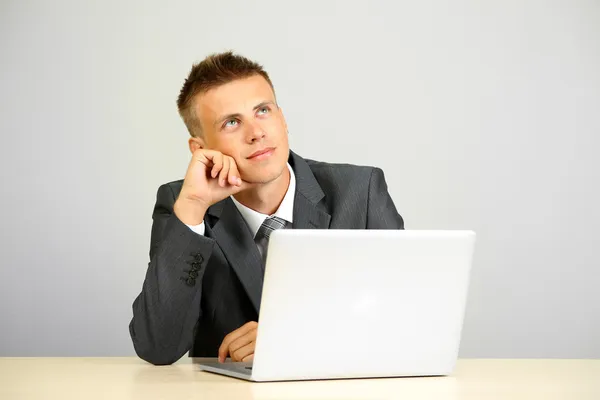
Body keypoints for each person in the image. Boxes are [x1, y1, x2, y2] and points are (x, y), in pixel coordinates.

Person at [129, 51, 404, 366]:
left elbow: (405, 315)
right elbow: (158, 347)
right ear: (200, 149)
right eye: (232, 122)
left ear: (283, 119)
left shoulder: (360, 191)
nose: (256, 133)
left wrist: (292, 335)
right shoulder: (183, 203)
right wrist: (194, 207)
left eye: (263, 111)